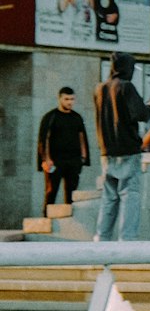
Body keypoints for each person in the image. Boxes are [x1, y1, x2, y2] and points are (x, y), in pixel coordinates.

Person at [93, 52, 150, 241]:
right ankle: (127, 240)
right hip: (127, 149)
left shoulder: (99, 89)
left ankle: (101, 238)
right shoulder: (126, 87)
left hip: (106, 151)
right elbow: (141, 114)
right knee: (130, 194)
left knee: (109, 197)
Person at [36, 86, 90, 216]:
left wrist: (83, 157)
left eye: (72, 99)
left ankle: (69, 221)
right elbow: (44, 139)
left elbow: (82, 136)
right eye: (66, 99)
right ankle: (46, 218)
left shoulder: (77, 117)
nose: (70, 102)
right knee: (51, 191)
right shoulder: (50, 117)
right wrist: (46, 159)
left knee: (71, 192)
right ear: (60, 98)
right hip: (55, 161)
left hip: (73, 160)